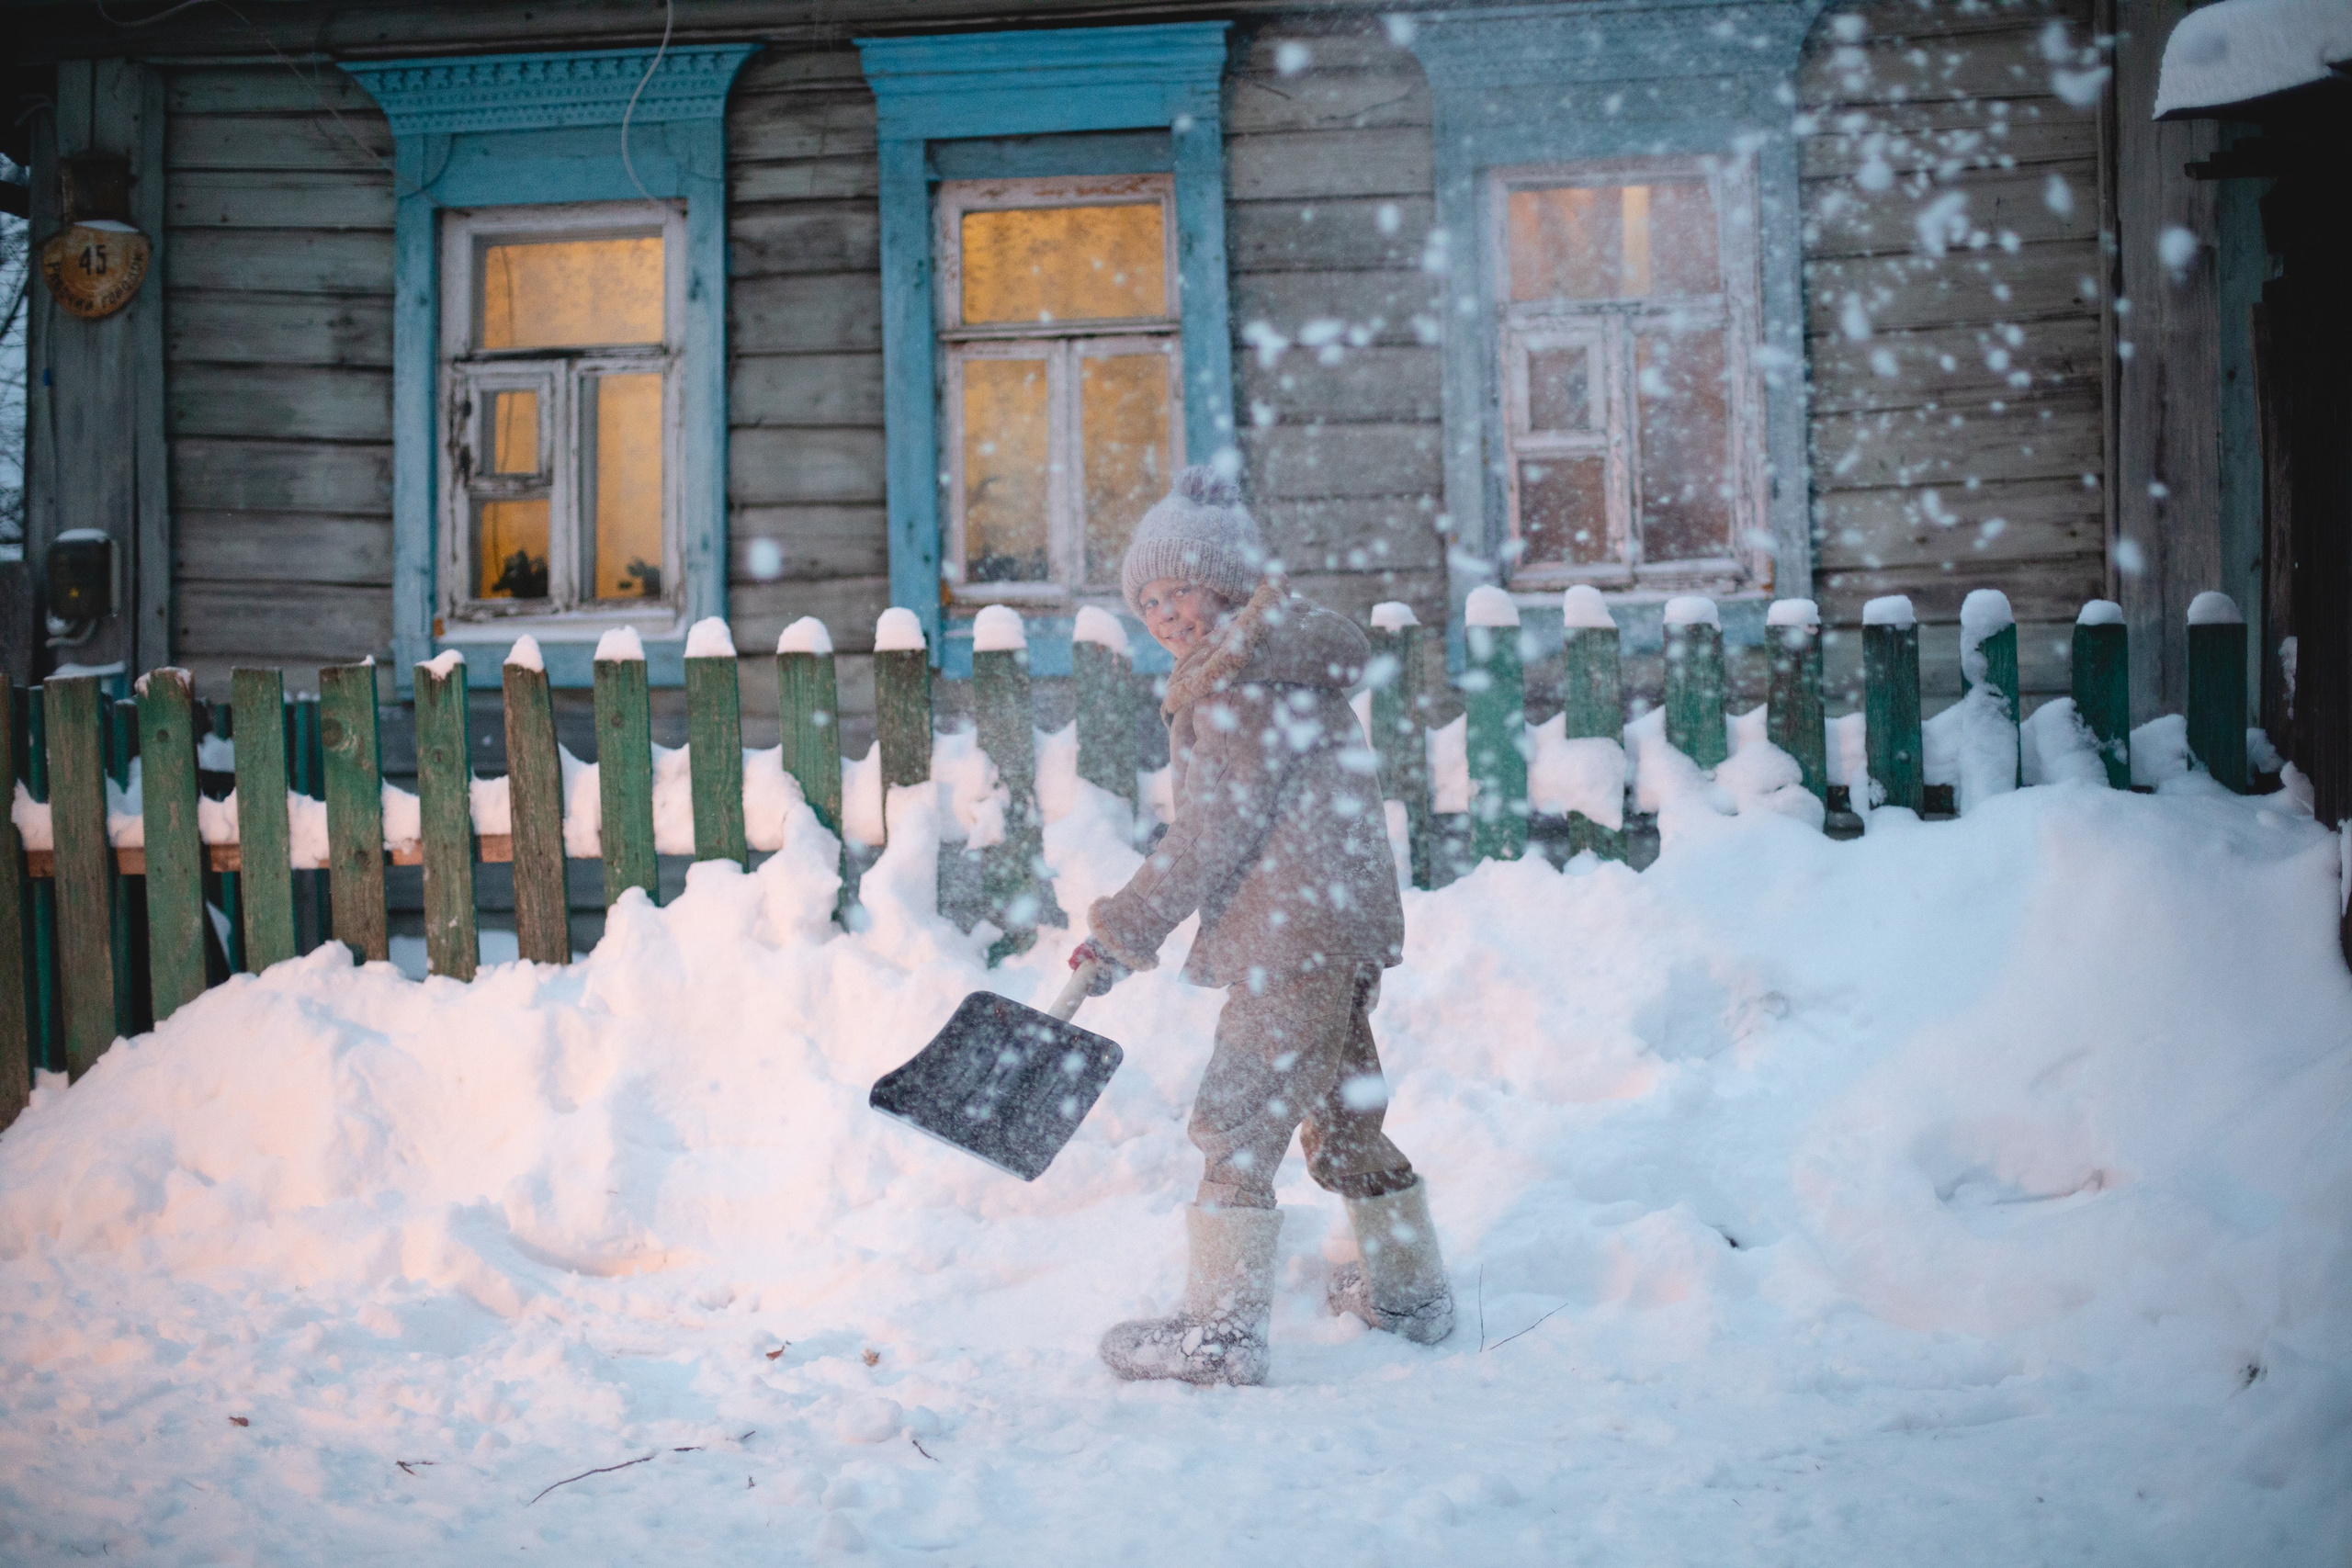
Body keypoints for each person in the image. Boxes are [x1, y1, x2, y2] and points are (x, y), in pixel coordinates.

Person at [1069, 464, 1455, 1388]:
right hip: (1332, 931)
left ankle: (1221, 1336)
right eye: (1148, 601)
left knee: (1235, 1122)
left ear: (1230, 586)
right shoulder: (1287, 670)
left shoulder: (1244, 686)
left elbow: (1214, 827)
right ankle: (1408, 1292)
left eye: (1181, 591)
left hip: (1290, 938)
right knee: (1343, 1117)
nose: (1165, 615)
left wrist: (1128, 924)